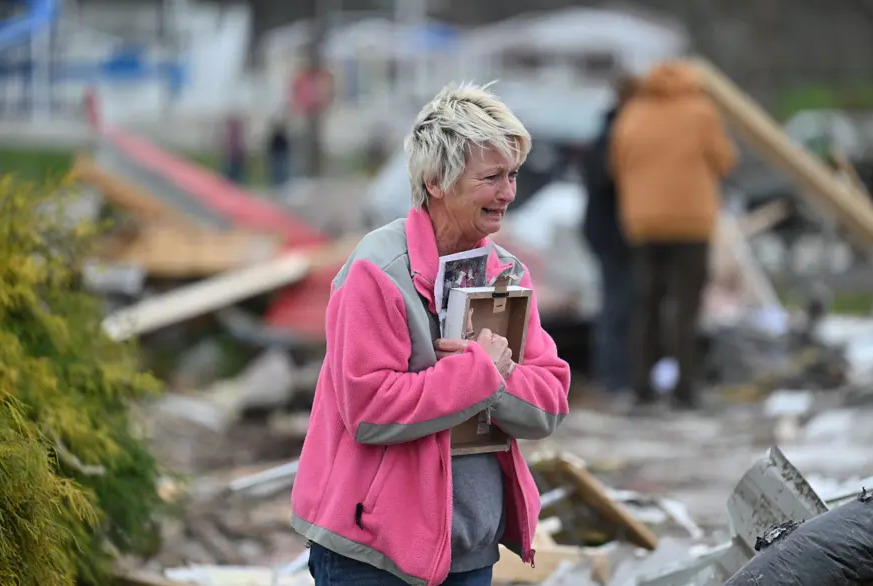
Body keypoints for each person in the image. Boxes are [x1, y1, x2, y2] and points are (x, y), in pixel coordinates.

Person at [291, 82, 571, 585]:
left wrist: (493, 377)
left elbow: (549, 402)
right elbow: (370, 409)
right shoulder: (377, 271)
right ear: (437, 180)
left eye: (511, 176)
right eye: (491, 178)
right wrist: (479, 374)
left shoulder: (507, 275)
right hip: (371, 552)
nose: (507, 193)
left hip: (469, 549)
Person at [610, 60, 738, 410]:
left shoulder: (633, 112)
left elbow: (617, 164)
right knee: (687, 307)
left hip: (644, 223)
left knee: (647, 306)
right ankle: (684, 389)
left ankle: (641, 388)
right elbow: (725, 160)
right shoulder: (701, 111)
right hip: (692, 222)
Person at [581, 74, 638, 397]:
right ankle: (614, 377)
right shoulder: (615, 135)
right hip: (611, 231)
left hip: (606, 228)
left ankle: (616, 376)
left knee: (618, 303)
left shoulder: (608, 130)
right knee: (618, 305)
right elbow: (605, 180)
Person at [267, 117, 291, 186]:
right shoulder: (277, 136)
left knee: (281, 168)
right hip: (278, 153)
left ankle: (282, 182)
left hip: (280, 153)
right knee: (278, 169)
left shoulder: (281, 135)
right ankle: (279, 182)